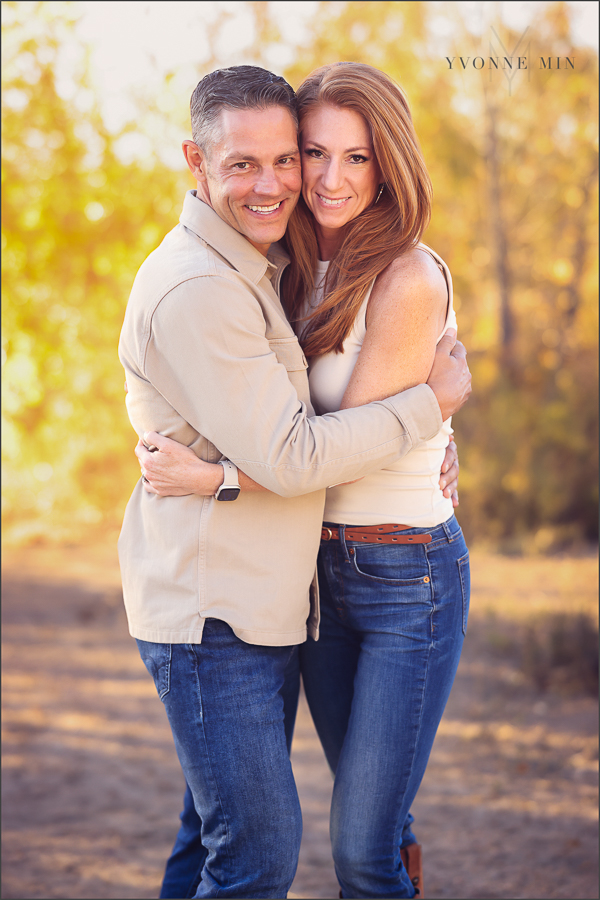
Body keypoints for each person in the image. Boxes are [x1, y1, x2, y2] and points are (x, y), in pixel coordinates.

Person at [137, 62, 471, 899]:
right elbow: (287, 435)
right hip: (311, 573)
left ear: (388, 164)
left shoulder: (405, 277)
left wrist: (216, 475)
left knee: (361, 846)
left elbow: (325, 451)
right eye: (310, 152)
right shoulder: (275, 262)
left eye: (353, 158)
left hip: (404, 575)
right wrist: (431, 410)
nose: (320, 178)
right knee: (288, 832)